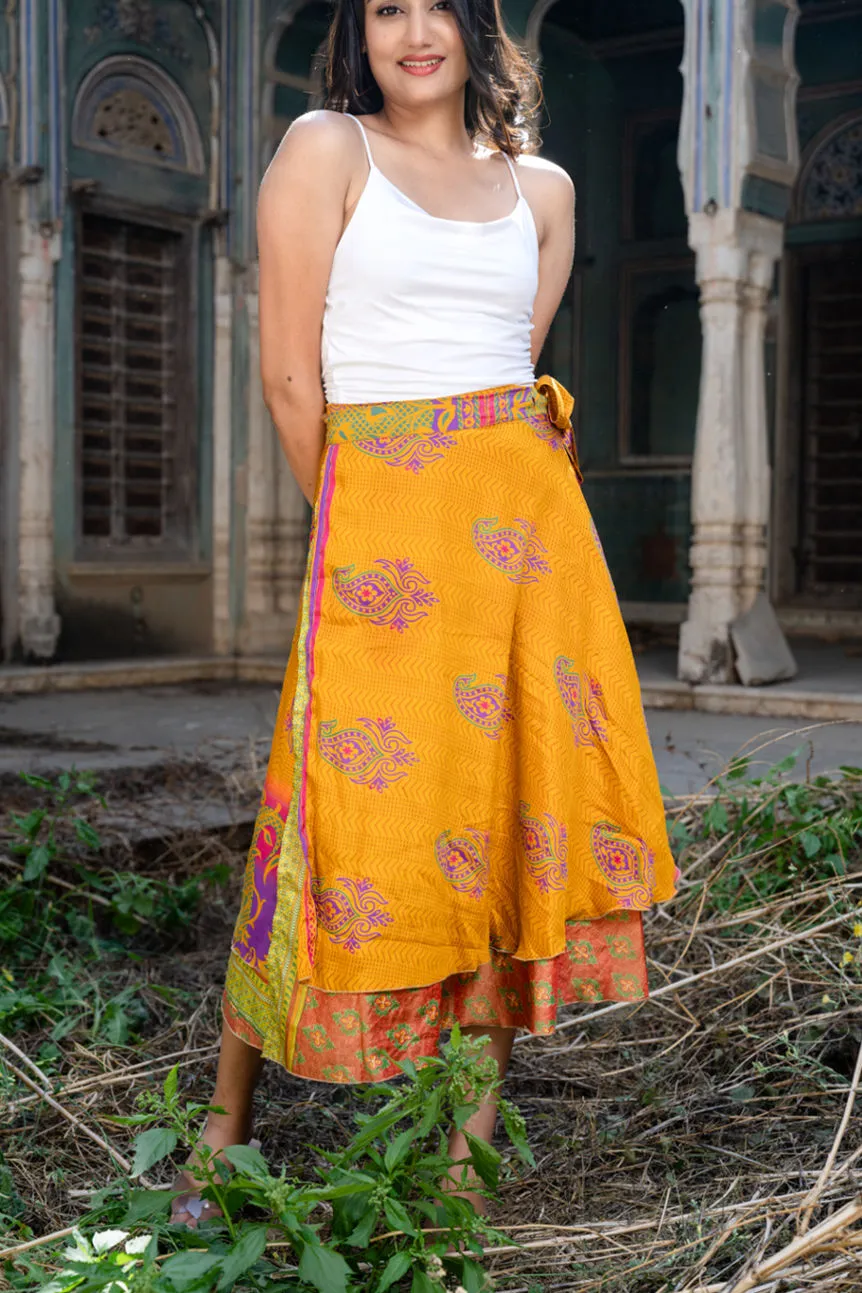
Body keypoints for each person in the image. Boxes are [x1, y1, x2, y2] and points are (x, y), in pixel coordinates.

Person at [172, 0, 677, 1226]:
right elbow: (294, 376)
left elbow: (506, 369)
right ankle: (223, 1127)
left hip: (525, 550)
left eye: (434, 8)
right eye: (385, 9)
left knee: (502, 821)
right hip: (384, 550)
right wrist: (374, 545)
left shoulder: (542, 191)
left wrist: (470, 517)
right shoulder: (325, 149)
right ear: (362, 33)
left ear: (475, 28)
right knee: (336, 818)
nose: (412, 33)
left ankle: (463, 1167)